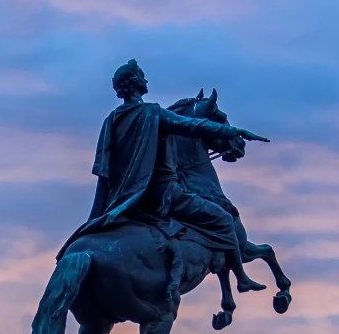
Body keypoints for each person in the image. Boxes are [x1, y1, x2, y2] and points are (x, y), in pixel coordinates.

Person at [60, 59, 269, 298]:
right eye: (143, 77)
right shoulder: (152, 113)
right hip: (163, 193)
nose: (146, 81)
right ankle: (241, 279)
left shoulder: (112, 120)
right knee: (222, 218)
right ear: (136, 83)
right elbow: (192, 125)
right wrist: (233, 131)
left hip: (125, 198)